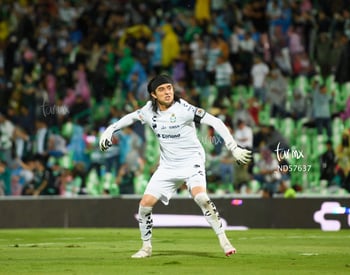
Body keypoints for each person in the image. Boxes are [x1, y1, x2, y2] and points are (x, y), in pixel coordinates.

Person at [99, 74, 252, 258]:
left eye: (169, 88)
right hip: (168, 166)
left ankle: (224, 240)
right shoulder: (149, 110)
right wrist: (110, 129)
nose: (167, 92)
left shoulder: (184, 108)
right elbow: (130, 118)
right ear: (153, 95)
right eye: (162, 89)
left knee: (201, 198)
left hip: (191, 161)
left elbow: (215, 121)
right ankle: (146, 247)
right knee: (145, 205)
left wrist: (233, 147)